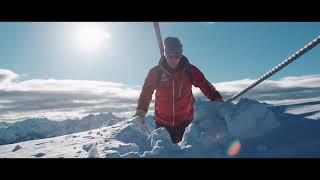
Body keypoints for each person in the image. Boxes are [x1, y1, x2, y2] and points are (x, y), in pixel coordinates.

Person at [134, 37, 224, 144]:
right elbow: (146, 92)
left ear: (181, 54)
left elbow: (204, 84)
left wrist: (216, 98)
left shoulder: (189, 70)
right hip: (162, 124)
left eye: (176, 56)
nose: (173, 59)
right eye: (170, 56)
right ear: (166, 54)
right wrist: (141, 111)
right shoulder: (156, 72)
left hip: (186, 122)